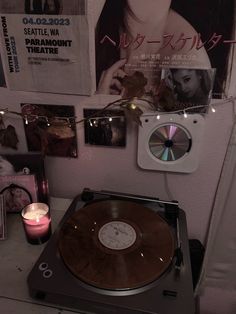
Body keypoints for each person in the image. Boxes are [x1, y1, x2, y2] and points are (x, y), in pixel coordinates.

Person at [95, 0, 234, 98]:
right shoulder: (103, 24)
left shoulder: (190, 60)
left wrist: (101, 107)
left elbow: (177, 137)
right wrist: (99, 103)